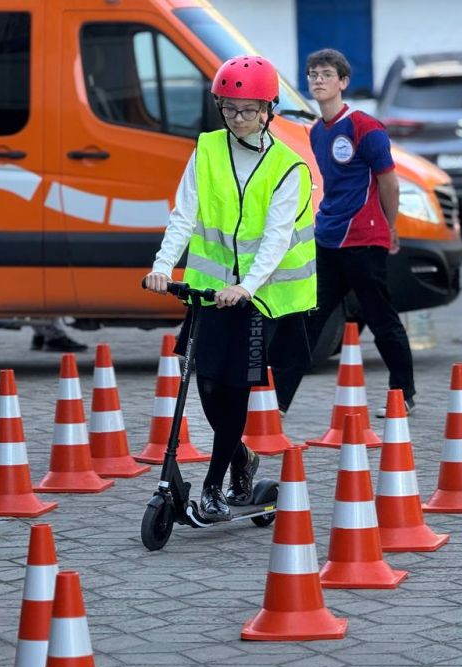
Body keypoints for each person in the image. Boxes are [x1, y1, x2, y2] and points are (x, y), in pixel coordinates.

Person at [143, 55, 316, 522]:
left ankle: (216, 487)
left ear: (268, 110)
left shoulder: (288, 168)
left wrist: (247, 286)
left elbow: (278, 239)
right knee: (206, 385)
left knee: (234, 387)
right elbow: (185, 215)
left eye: (247, 109)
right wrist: (162, 267)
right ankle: (241, 457)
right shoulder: (207, 150)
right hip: (209, 292)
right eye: (228, 108)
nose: (237, 118)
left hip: (259, 298)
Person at [273, 48, 415, 418]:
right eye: (312, 75)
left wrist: (390, 226)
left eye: (325, 74)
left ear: (343, 82)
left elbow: (390, 183)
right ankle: (278, 401)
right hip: (328, 238)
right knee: (308, 318)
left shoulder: (366, 127)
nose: (317, 80)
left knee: (380, 317)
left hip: (365, 239)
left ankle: (404, 393)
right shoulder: (317, 132)